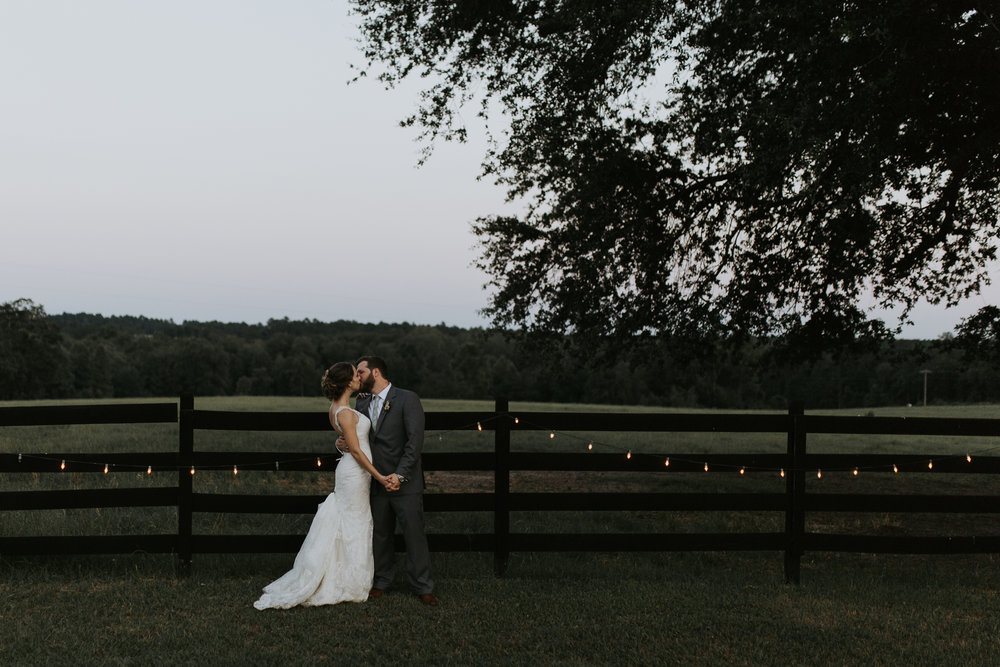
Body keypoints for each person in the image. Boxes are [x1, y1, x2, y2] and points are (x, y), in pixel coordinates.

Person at [253, 362, 396, 610]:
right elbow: (358, 452)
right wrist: (380, 476)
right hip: (355, 472)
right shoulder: (345, 413)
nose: (358, 378)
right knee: (353, 522)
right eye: (354, 375)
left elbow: (345, 440)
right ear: (347, 382)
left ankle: (349, 577)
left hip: (351, 472)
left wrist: (340, 444)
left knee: (353, 521)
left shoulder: (338, 408)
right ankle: (345, 581)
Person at [342, 355, 436, 606]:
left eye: (360, 372)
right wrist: (342, 442)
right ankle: (382, 580)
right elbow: (353, 438)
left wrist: (400, 475)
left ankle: (423, 585)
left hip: (404, 482)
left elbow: (414, 442)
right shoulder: (360, 405)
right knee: (380, 535)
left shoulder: (407, 399)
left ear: (375, 373)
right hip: (375, 482)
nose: (357, 376)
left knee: (414, 535)